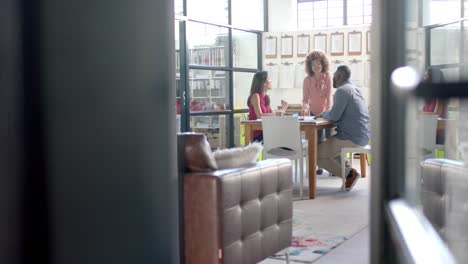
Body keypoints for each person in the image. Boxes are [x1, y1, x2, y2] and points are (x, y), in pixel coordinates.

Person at [316, 65, 370, 191]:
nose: (332, 78)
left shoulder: (342, 91)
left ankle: (349, 174)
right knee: (328, 147)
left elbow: (334, 116)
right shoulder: (355, 89)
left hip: (350, 137)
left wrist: (323, 113)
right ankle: (349, 170)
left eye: (334, 75)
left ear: (339, 76)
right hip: (362, 135)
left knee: (316, 155)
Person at [247, 71, 288, 142]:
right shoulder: (256, 96)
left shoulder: (266, 98)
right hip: (258, 134)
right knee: (284, 139)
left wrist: (283, 108)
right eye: (269, 79)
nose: (271, 81)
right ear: (263, 83)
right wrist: (281, 110)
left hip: (266, 131)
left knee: (287, 136)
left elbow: (274, 116)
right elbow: (260, 116)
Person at [302, 50, 333, 116]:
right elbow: (305, 100)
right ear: (310, 66)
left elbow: (329, 96)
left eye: (318, 64)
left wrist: (327, 112)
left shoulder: (328, 76)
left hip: (326, 112)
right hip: (312, 114)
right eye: (313, 65)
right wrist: (305, 108)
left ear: (323, 64)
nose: (316, 66)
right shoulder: (307, 80)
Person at [422, 67, 448, 145]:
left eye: (426, 76)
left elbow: (437, 114)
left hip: (438, 132)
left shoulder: (440, 95)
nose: (424, 78)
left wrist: (419, 113)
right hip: (428, 130)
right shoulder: (428, 96)